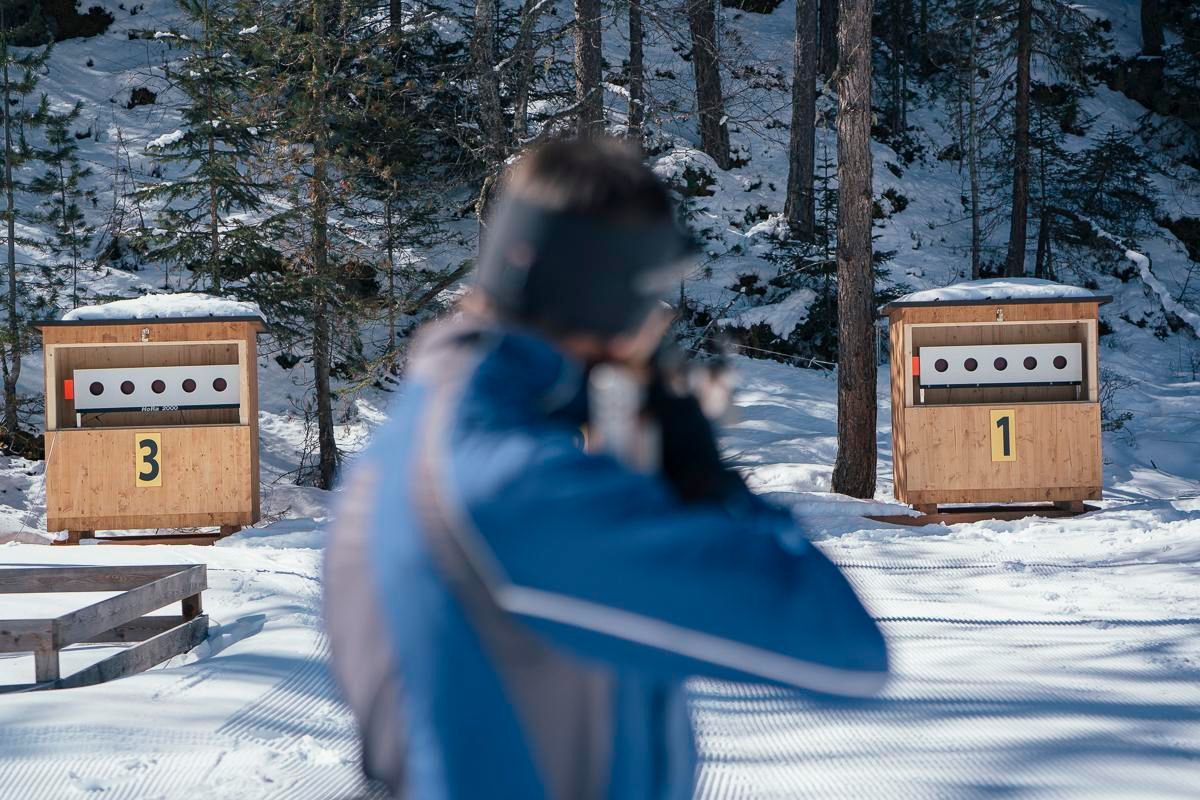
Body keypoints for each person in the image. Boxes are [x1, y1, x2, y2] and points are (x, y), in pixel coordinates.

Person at [325, 137, 889, 800]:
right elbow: (845, 652)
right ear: (607, 300)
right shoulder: (521, 490)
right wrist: (715, 492)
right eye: (647, 300)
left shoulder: (411, 445)